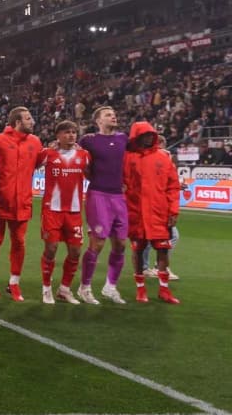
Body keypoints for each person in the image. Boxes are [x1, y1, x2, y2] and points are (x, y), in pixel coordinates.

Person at [0, 106, 43, 302]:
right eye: (28, 118)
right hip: (0, 201)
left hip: (23, 202)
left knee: (19, 242)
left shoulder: (35, 142)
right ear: (17, 122)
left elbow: (39, 163)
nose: (32, 121)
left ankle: (14, 282)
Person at [76, 106, 131, 305]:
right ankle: (85, 288)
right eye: (108, 114)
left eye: (114, 113)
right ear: (98, 120)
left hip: (118, 196)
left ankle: (110, 287)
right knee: (97, 243)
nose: (113, 116)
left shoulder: (123, 139)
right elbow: (78, 159)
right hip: (98, 195)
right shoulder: (88, 140)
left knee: (120, 244)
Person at [124, 122, 181, 304]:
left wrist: (173, 210)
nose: (150, 137)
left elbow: (173, 186)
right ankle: (141, 289)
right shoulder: (127, 157)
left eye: (152, 134)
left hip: (159, 212)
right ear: (137, 136)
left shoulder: (163, 157)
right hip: (136, 212)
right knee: (138, 251)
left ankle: (164, 290)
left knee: (163, 250)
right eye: (146, 134)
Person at [37, 121, 91, 304]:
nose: (72, 135)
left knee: (75, 251)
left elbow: (93, 174)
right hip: (52, 211)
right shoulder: (47, 154)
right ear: (58, 135)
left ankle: (65, 289)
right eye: (67, 132)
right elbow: (29, 165)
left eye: (74, 132)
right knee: (51, 249)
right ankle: (46, 288)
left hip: (75, 212)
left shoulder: (84, 155)